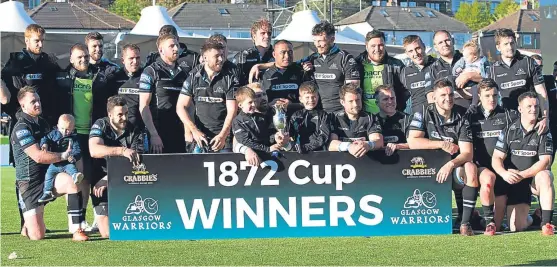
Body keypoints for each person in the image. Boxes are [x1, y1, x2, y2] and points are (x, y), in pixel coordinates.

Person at [11, 86, 88, 241]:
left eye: (38, 100)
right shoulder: (21, 128)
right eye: (33, 101)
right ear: (23, 105)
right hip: (30, 184)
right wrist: (63, 155)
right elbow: (38, 157)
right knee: (37, 235)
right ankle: (28, 221)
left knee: (71, 182)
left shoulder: (44, 123)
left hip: (48, 176)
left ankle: (77, 229)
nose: (38, 104)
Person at [407, 79, 478, 236]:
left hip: (451, 167)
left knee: (471, 168)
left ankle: (465, 223)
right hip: (426, 168)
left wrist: (450, 164)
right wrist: (440, 144)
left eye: (451, 94)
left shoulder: (462, 114)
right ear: (434, 97)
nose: (448, 98)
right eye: (443, 95)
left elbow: (467, 153)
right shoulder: (423, 111)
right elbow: (413, 141)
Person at [56, 43, 111, 231]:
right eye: (79, 57)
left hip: (93, 134)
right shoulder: (63, 78)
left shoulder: (98, 77)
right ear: (71, 59)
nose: (83, 59)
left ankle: (86, 217)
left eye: (85, 56)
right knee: (75, 177)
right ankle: (74, 220)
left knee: (88, 177)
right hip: (73, 135)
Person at [492, 91, 555, 235]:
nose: (533, 109)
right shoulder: (509, 130)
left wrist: (522, 174)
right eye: (529, 106)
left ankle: (546, 223)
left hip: (532, 181)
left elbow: (546, 161)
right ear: (520, 109)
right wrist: (504, 173)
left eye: (536, 106)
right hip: (515, 181)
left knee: (545, 175)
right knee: (516, 227)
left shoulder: (544, 131)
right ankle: (535, 217)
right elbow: (496, 158)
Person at [89, 96, 146, 238]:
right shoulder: (100, 125)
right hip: (100, 182)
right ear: (110, 115)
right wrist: (121, 151)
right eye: (120, 115)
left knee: (134, 228)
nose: (124, 118)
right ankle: (99, 215)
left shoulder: (135, 130)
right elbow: (94, 150)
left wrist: (109, 178)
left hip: (123, 180)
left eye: (126, 113)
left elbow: (137, 161)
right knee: (108, 233)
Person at [467, 78, 518, 234]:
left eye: (495, 95)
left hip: (503, 168)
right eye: (487, 95)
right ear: (479, 96)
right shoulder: (471, 116)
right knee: (488, 181)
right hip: (481, 167)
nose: (492, 99)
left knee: (515, 225)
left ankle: (483, 220)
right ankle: (488, 222)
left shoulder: (509, 115)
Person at [177, 41, 238, 153]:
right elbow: (180, 107)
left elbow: (232, 110)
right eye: (217, 56)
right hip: (200, 138)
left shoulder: (230, 79)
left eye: (222, 56)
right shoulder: (193, 77)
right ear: (205, 57)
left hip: (223, 138)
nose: (221, 59)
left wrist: (223, 135)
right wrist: (193, 130)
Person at [489, 28, 549, 135]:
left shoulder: (528, 62)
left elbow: (541, 92)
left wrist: (545, 117)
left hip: (531, 120)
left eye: (512, 43)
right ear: (498, 47)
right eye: (506, 44)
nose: (510, 47)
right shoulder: (493, 69)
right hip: (507, 122)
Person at [139, 34, 190, 153]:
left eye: (177, 45)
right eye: (172, 46)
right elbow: (143, 106)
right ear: (161, 49)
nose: (176, 49)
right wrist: (154, 134)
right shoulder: (150, 71)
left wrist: (189, 130)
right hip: (159, 131)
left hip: (180, 131)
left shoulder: (184, 72)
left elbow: (190, 105)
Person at [2, 24, 60, 126]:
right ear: (27, 40)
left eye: (42, 41)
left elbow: (59, 88)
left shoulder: (48, 62)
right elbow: (4, 89)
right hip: (22, 120)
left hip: (46, 119)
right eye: (37, 41)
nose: (41, 45)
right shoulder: (15, 62)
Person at [355, 30, 406, 114]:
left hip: (389, 117)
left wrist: (398, 109)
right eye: (373, 46)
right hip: (366, 118)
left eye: (380, 45)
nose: (377, 49)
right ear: (366, 47)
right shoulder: (356, 65)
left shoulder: (396, 65)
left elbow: (406, 91)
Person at [328, 83, 383, 157]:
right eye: (351, 101)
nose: (355, 104)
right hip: (341, 163)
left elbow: (378, 141)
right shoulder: (334, 118)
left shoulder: (370, 117)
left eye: (357, 100)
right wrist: (349, 146)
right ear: (342, 102)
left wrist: (368, 145)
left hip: (366, 162)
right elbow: (331, 143)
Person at [38, 114, 84, 203]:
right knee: (48, 175)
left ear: (73, 128)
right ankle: (47, 192)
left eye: (67, 130)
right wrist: (44, 144)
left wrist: (73, 157)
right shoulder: (53, 134)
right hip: (55, 162)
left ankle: (75, 176)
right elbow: (45, 138)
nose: (64, 131)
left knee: (72, 168)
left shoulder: (74, 138)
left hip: (67, 163)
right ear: (58, 126)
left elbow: (78, 150)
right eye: (62, 128)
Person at [260, 39, 310, 114]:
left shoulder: (301, 72)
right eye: (282, 52)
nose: (287, 56)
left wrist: (292, 105)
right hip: (271, 118)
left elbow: (310, 101)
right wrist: (270, 104)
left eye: (290, 52)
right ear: (274, 54)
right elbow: (257, 101)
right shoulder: (263, 74)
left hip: (297, 117)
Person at [232, 86, 285, 154]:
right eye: (250, 102)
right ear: (240, 105)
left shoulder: (261, 116)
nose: (253, 104)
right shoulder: (238, 121)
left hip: (265, 153)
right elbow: (245, 141)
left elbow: (267, 134)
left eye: (254, 101)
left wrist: (275, 137)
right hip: (251, 156)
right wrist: (267, 149)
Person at [288, 81, 331, 153]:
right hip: (299, 153)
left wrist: (306, 147)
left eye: (313, 97)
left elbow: (324, 136)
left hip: (319, 152)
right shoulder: (296, 115)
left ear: (318, 97)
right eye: (307, 97)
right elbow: (290, 134)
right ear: (301, 99)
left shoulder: (323, 115)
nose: (311, 100)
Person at [399, 35, 435, 114]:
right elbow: (401, 99)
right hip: (418, 120)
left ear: (424, 47)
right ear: (407, 53)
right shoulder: (405, 72)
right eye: (410, 51)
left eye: (418, 48)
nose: (415, 53)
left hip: (439, 118)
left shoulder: (437, 65)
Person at [531, 55, 557, 164]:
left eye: (540, 67)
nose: (539, 70)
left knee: (549, 161)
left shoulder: (549, 80)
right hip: (535, 127)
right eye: (536, 67)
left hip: (552, 125)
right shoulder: (527, 84)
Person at [234, 18, 274, 85]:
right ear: (254, 35)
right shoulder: (242, 57)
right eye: (263, 33)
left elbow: (286, 65)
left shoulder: (278, 55)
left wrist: (260, 66)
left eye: (269, 33)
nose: (267, 36)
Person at [113, 44, 145, 129]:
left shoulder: (146, 76)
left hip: (140, 128)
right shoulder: (114, 76)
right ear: (123, 60)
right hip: (118, 127)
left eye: (137, 58)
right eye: (131, 58)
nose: (135, 61)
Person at [374, 85, 411, 156]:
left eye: (392, 98)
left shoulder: (408, 119)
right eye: (385, 99)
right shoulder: (372, 121)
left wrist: (398, 146)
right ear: (377, 103)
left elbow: (414, 143)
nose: (390, 102)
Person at [452, 41, 489, 105]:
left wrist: (478, 73)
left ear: (474, 57)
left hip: (474, 83)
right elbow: (456, 68)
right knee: (451, 79)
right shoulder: (464, 61)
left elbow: (486, 75)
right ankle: (455, 90)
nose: (464, 58)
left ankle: (474, 103)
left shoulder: (482, 63)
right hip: (463, 80)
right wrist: (458, 70)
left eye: (466, 57)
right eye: (463, 56)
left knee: (475, 88)